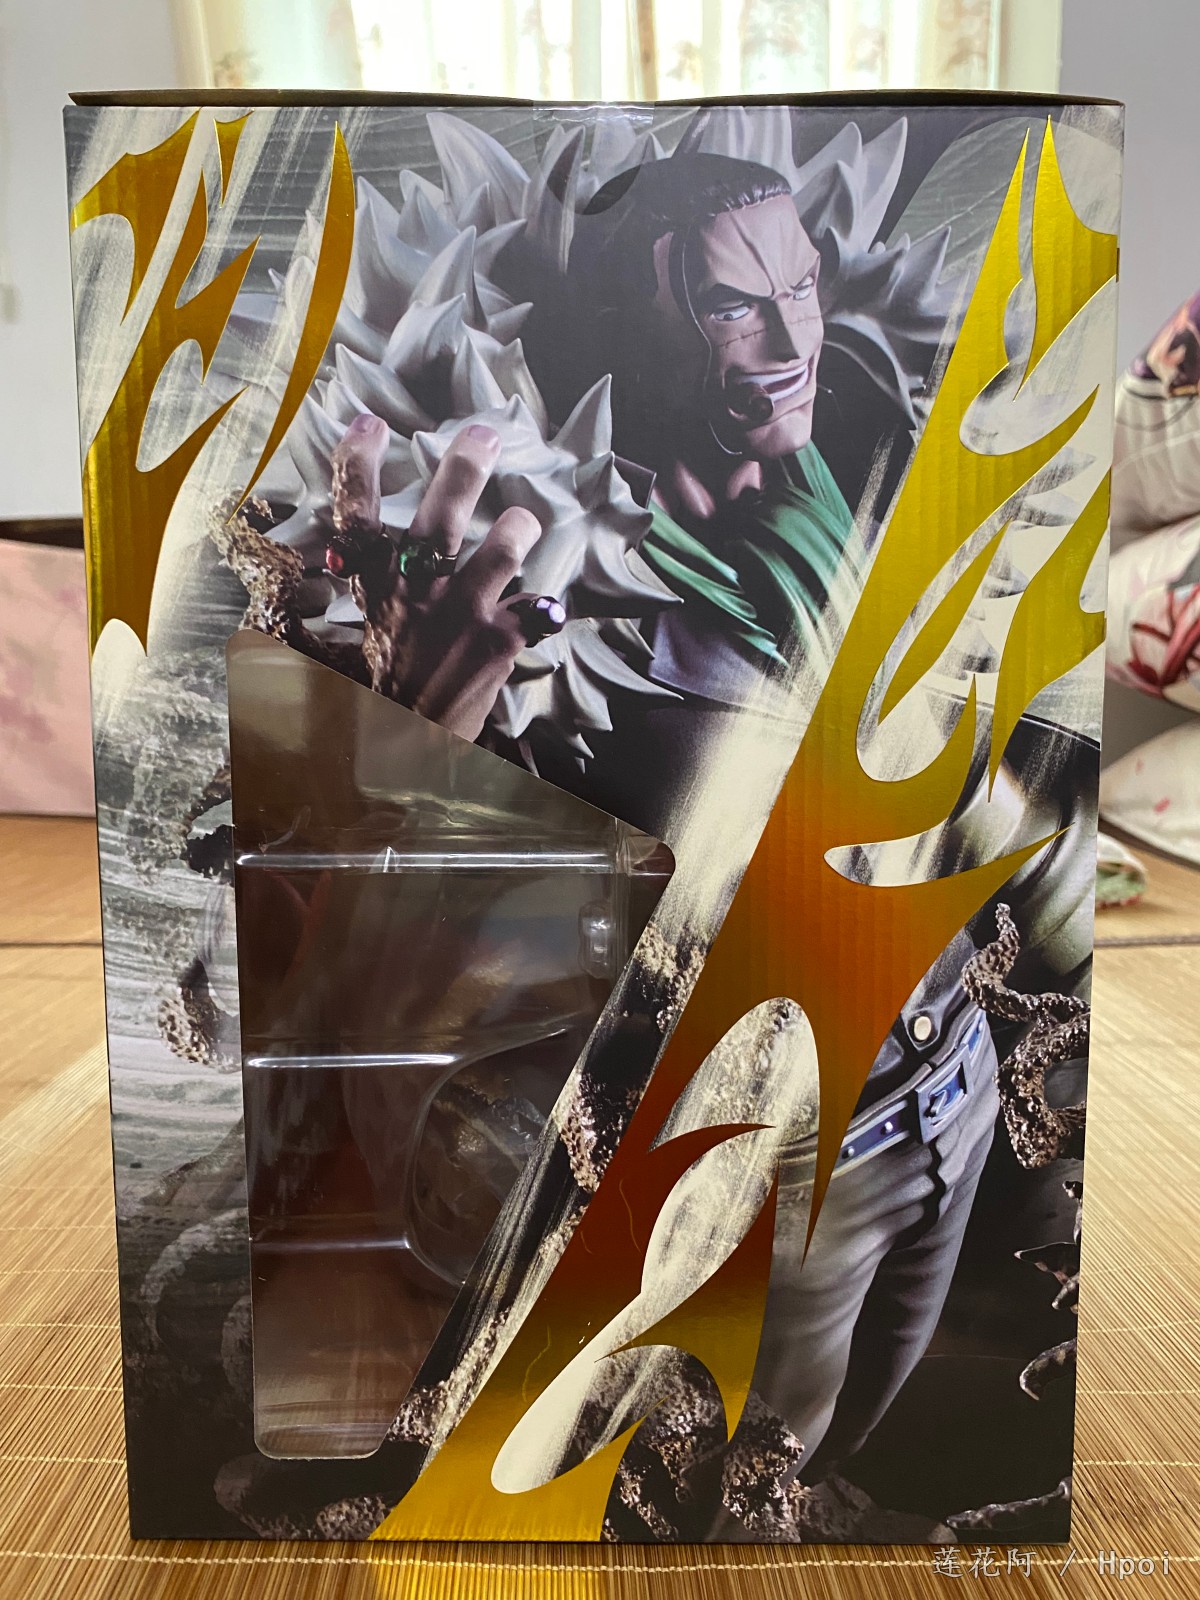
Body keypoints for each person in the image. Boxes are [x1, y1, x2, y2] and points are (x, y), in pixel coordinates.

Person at [312, 150, 1000, 1504]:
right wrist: (412, 740)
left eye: (801, 287)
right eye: (736, 306)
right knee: (754, 1486)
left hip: (960, 1072)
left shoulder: (864, 444)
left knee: (874, 1447)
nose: (792, 338)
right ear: (649, 322)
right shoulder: (570, 625)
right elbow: (421, 969)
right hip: (787, 1148)